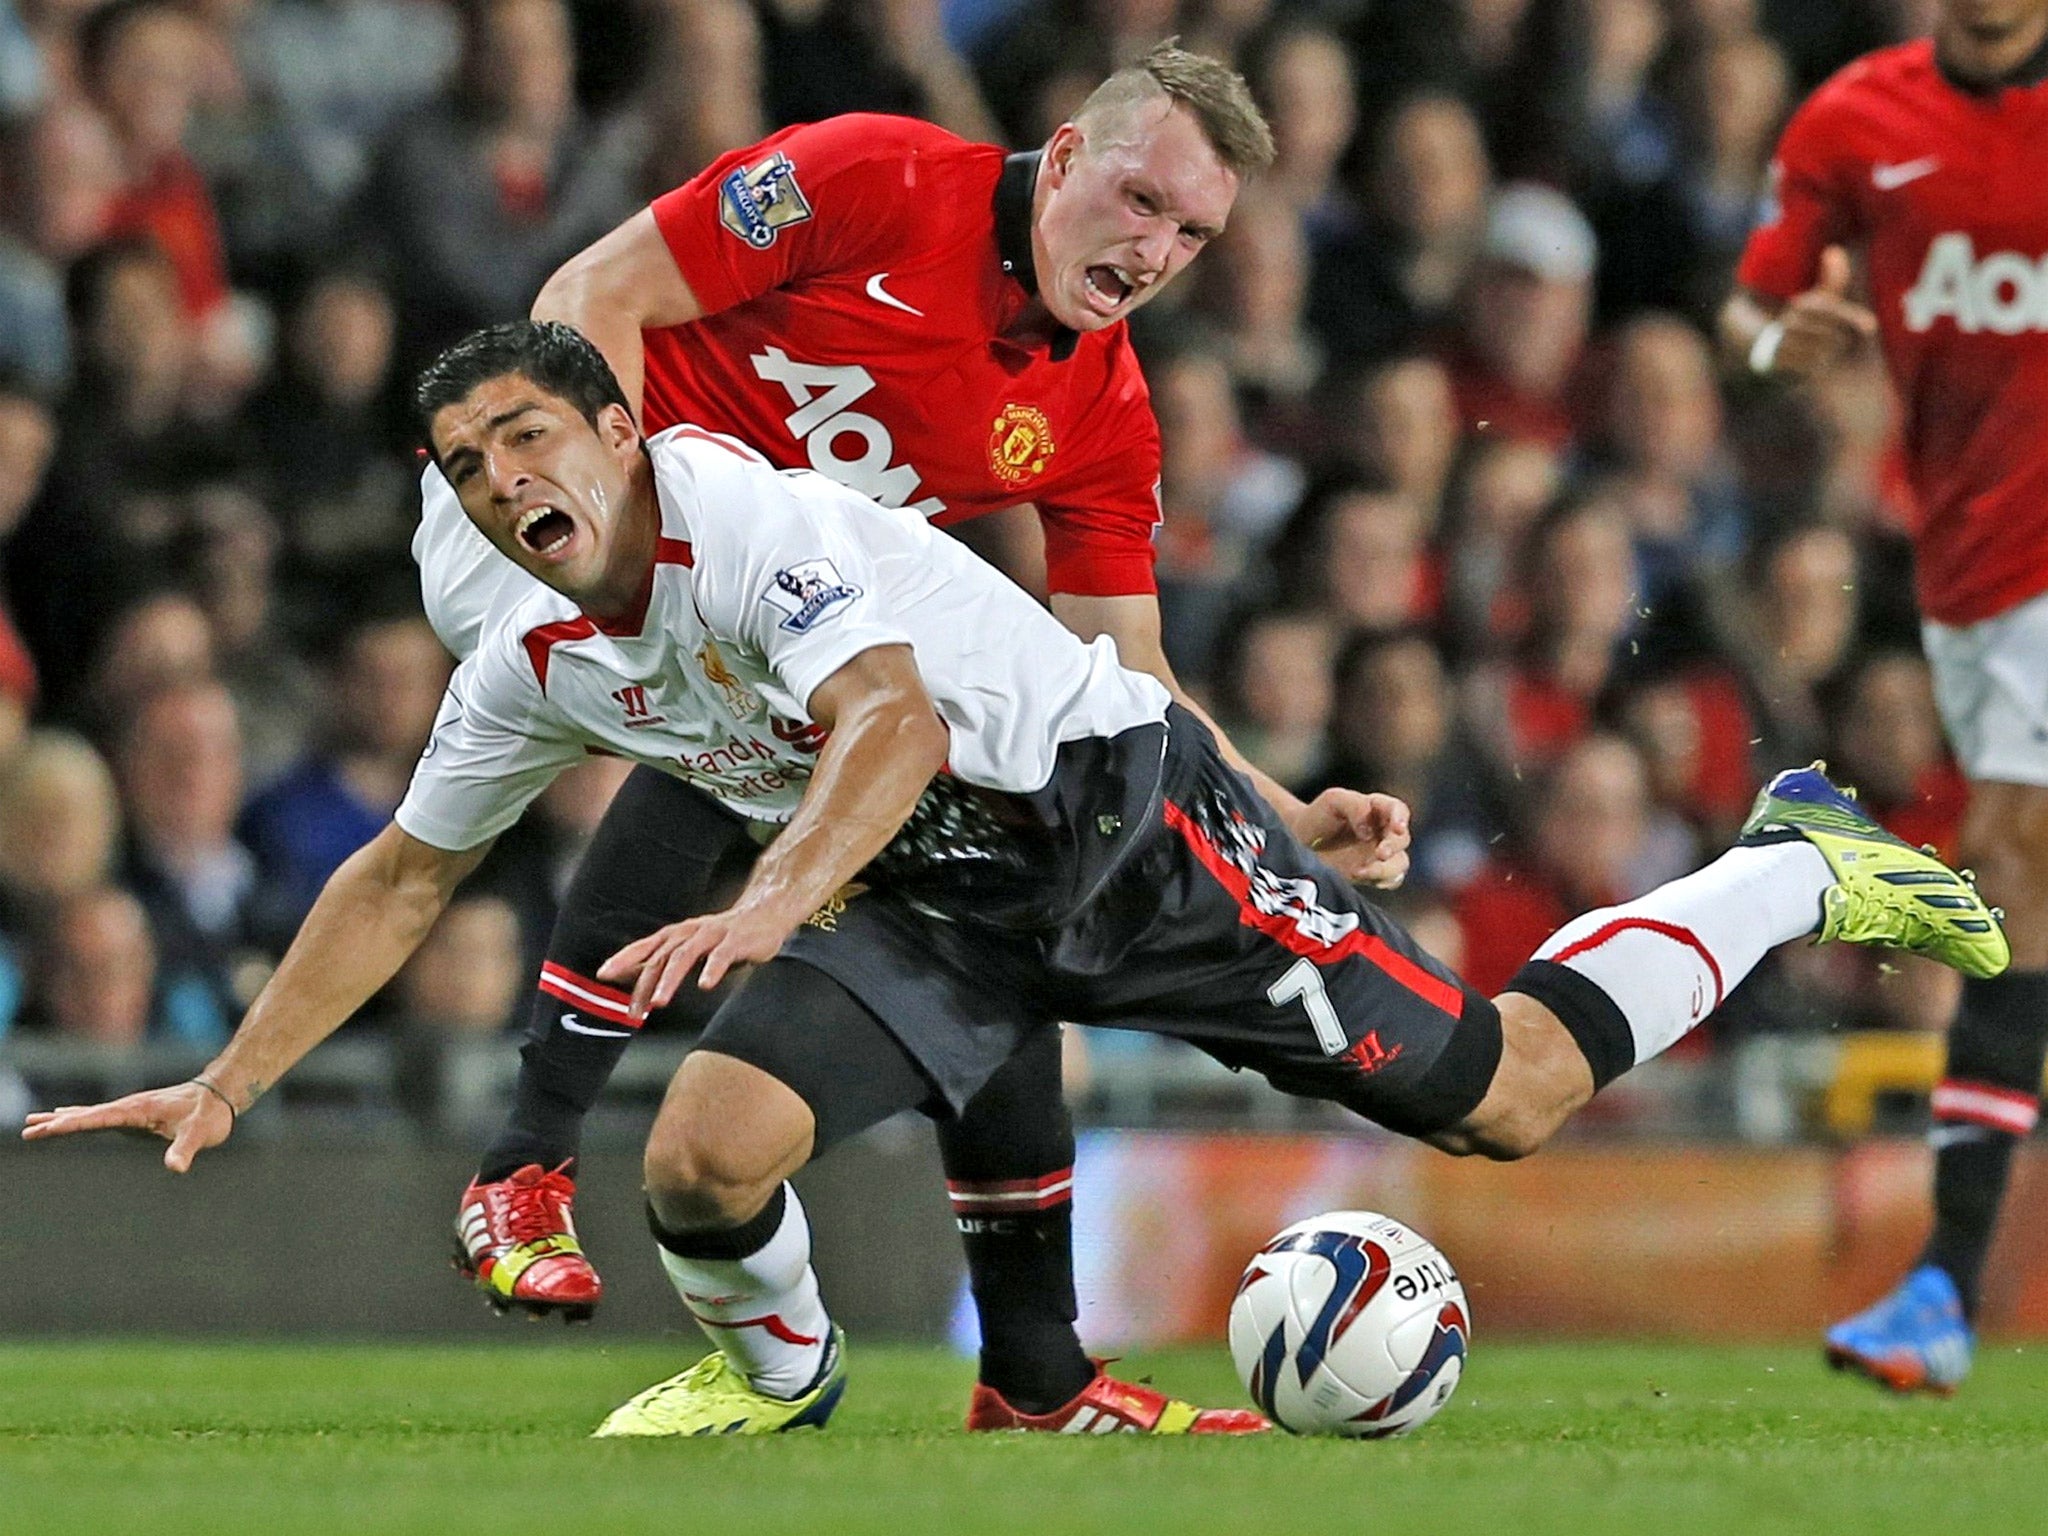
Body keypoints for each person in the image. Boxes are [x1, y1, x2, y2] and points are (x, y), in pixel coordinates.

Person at [22, 323, 2008, 1440]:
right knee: (705, 1161)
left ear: (623, 435)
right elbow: (393, 875)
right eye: (464, 468)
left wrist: (766, 903)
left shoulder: (743, 519)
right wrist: (229, 1082)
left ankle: (1777, 868)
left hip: (1119, 838)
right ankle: (778, 1395)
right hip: (925, 896)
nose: (497, 481)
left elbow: (883, 726)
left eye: (525, 434)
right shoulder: (533, 660)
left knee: (1505, 1094)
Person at [419, 44, 1395, 1433]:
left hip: (784, 643)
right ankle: (526, 1163)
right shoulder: (875, 177)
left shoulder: (1101, 409)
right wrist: (633, 527)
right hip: (598, 541)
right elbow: (592, 296)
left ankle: (1034, 1374)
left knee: (1002, 864)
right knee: (745, 740)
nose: (1155, 249)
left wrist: (1281, 812)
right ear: (1063, 157)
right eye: (1139, 200)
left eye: (1192, 233)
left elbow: (1127, 670)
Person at [1718, 0, 2048, 1397]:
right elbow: (1754, 301)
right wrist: (1769, 348)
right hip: (1976, 557)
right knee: (2017, 880)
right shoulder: (1853, 121)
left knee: (2019, 855)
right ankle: (1945, 1291)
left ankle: (1944, 1284)